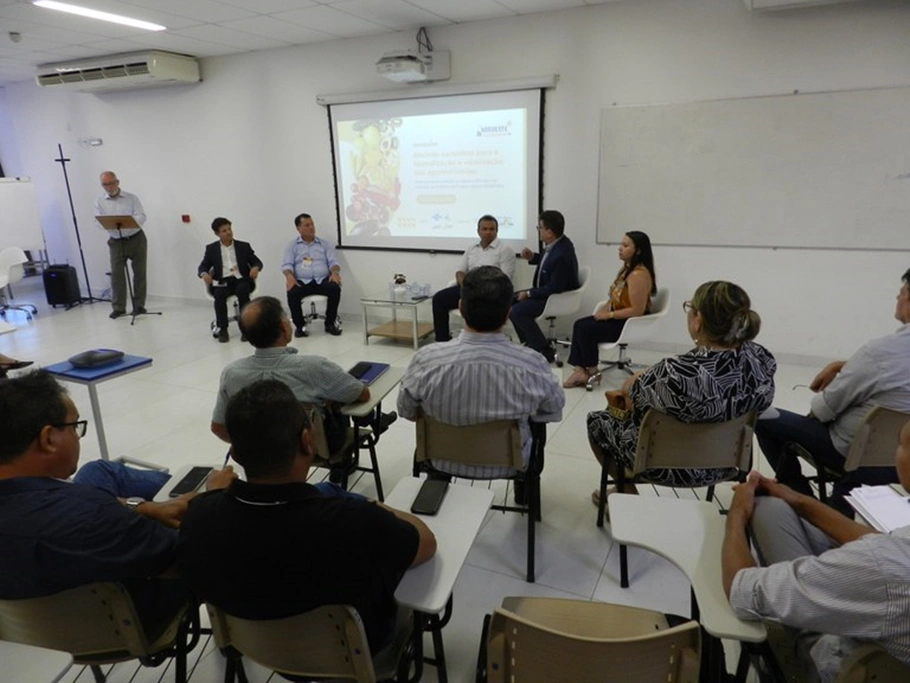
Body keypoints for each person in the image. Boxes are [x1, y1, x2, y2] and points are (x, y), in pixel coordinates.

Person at [178, 379, 436, 654]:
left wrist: (213, 498)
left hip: (256, 649)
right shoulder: (355, 520)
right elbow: (425, 543)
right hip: (354, 650)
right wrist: (376, 506)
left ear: (236, 455)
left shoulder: (198, 518)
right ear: (306, 440)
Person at [0, 370, 234, 635]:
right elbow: (189, 558)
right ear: (49, 439)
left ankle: (165, 497)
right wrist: (215, 500)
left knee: (96, 471)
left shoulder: (86, 509)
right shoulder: (91, 515)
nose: (78, 436)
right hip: (124, 622)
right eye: (75, 426)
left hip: (30, 633)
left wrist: (142, 508)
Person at [722, 418, 910, 683]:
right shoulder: (891, 554)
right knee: (779, 509)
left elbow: (740, 590)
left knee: (765, 509)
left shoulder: (883, 568)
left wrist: (737, 515)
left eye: (901, 443)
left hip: (848, 664)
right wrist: (800, 501)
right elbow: (883, 543)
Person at [587, 281, 776, 505]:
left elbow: (632, 398)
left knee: (598, 421)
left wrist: (637, 379)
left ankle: (625, 492)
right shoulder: (760, 360)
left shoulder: (674, 374)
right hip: (726, 463)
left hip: (661, 467)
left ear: (698, 322)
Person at [755, 268, 910, 512]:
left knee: (762, 418)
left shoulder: (879, 352)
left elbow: (823, 409)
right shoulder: (882, 357)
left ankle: (802, 499)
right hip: (898, 461)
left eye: (901, 293)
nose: (897, 298)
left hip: (849, 452)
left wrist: (843, 376)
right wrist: (843, 366)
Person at [399, 266, 565, 479]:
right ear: (508, 315)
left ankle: (436, 490)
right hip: (509, 463)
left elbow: (406, 410)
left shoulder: (426, 359)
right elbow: (553, 408)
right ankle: (523, 494)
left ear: (460, 307)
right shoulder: (531, 363)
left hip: (440, 459)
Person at [211, 296, 370, 481]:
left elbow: (218, 427)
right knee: (336, 397)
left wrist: (255, 447)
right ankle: (342, 460)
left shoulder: (231, 374)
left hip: (259, 460)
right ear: (283, 327)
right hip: (318, 448)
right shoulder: (315, 367)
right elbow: (362, 394)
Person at [563, 231, 657, 388]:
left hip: (628, 323)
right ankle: (580, 370)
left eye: (625, 246)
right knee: (579, 324)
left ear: (638, 250)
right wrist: (605, 309)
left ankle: (592, 372)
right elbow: (615, 296)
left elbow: (637, 310)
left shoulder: (638, 275)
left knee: (586, 329)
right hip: (618, 317)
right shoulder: (626, 270)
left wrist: (609, 314)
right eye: (621, 244)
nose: (620, 248)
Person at [509, 210, 580, 363]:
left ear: (549, 232)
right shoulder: (557, 244)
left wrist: (528, 293)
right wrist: (533, 257)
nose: (538, 231)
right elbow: (548, 262)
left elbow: (555, 287)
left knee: (517, 311)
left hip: (555, 298)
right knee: (509, 301)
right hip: (547, 293)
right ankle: (528, 343)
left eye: (539, 228)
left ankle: (542, 349)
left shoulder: (562, 253)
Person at [432, 215, 516, 342]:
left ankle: (487, 340)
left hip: (491, 292)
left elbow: (505, 279)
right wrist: (466, 286)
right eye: (485, 229)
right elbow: (460, 271)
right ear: (478, 231)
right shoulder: (471, 248)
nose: (488, 232)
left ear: (496, 231)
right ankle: (442, 340)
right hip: (469, 288)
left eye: (491, 229)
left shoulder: (505, 250)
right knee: (439, 299)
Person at [197, 217, 263, 343]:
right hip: (222, 281)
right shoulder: (212, 249)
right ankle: (223, 329)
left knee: (243, 290)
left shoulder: (243, 246)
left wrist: (255, 267)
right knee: (219, 295)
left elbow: (256, 261)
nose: (228, 232)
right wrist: (204, 274)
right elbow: (203, 266)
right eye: (224, 231)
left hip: (240, 279)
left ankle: (245, 328)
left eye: (229, 229)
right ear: (217, 234)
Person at [94, 171, 148, 319]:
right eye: (105, 184)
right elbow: (97, 222)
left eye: (111, 183)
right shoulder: (100, 201)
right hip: (116, 241)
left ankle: (139, 306)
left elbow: (142, 216)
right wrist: (108, 223)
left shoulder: (131, 198)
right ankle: (119, 307)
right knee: (117, 275)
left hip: (136, 238)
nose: (109, 187)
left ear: (117, 182)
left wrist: (127, 222)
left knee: (139, 273)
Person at [282, 213, 342, 337]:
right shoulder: (292, 245)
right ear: (298, 228)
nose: (311, 227)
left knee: (334, 288)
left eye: (312, 224)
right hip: (302, 281)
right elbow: (287, 265)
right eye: (307, 225)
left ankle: (330, 323)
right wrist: (289, 277)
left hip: (322, 280)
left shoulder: (324, 244)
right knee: (292, 292)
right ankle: (300, 326)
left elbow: (333, 262)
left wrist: (335, 272)